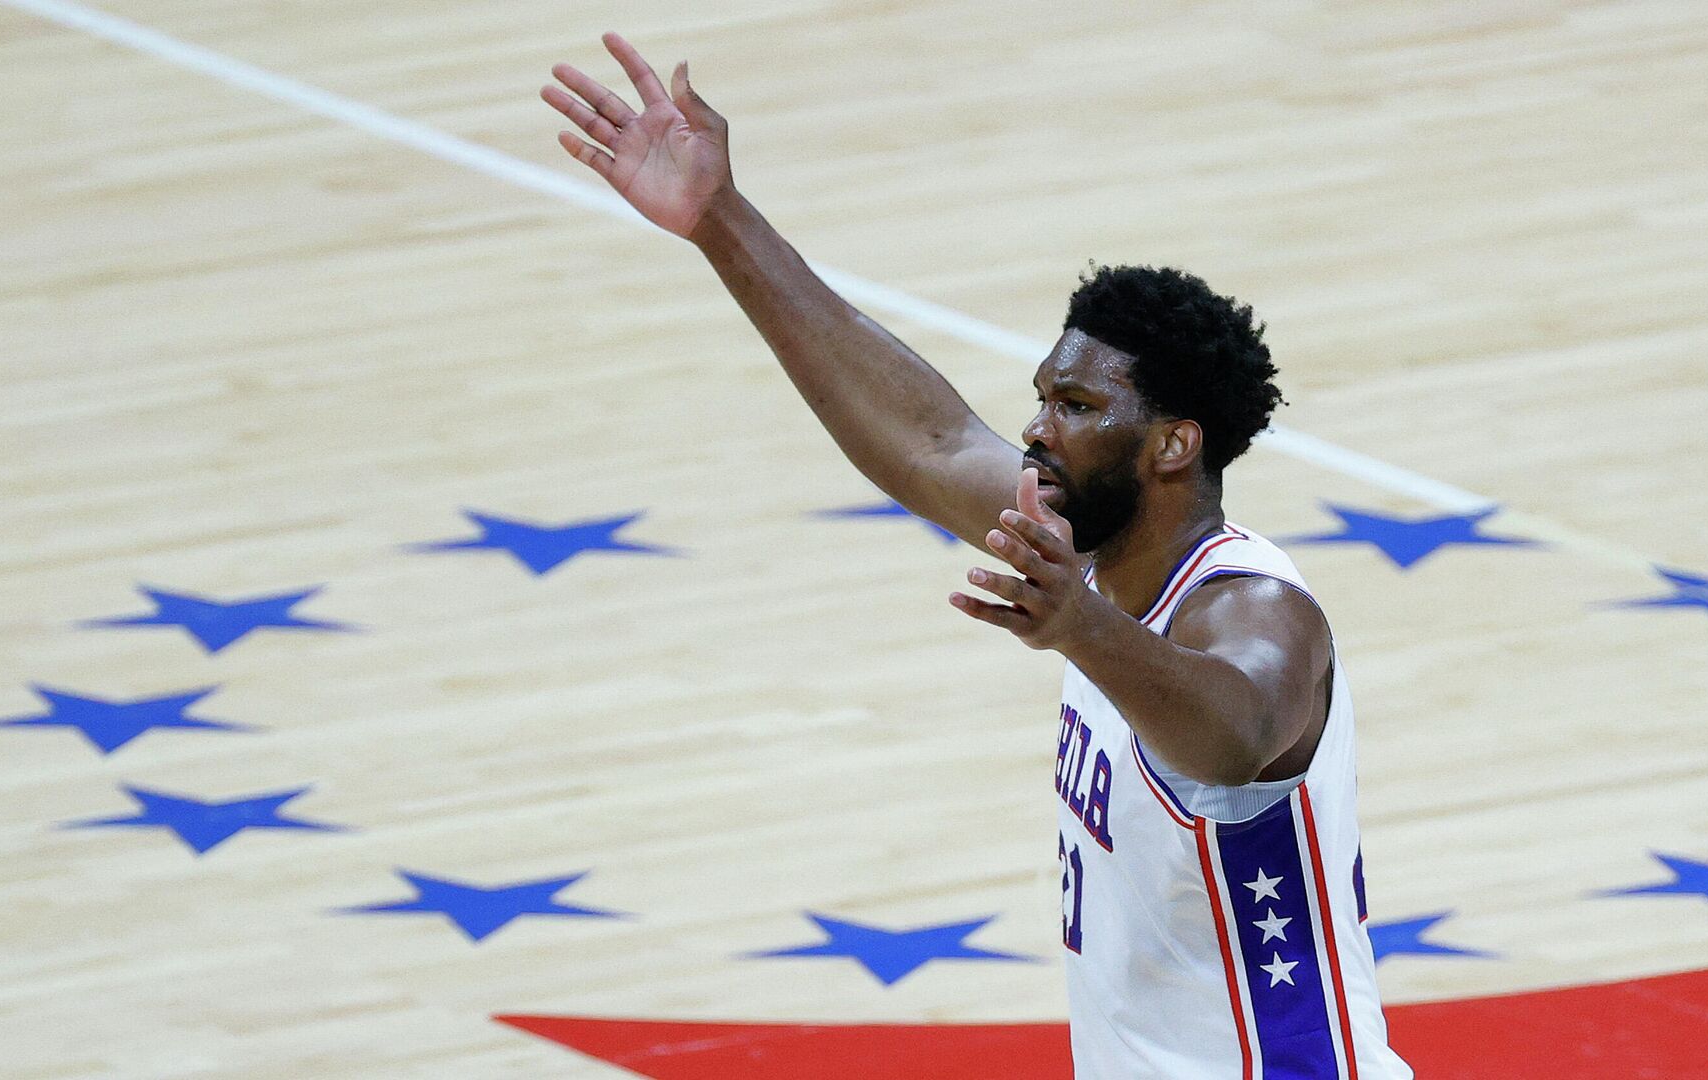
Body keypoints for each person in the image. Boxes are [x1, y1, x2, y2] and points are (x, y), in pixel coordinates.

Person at [542, 32, 1413, 1080]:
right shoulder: (1080, 544)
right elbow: (929, 440)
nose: (1040, 430)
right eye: (1042, 397)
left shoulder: (1257, 609)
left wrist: (1077, 628)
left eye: (1079, 406)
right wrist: (717, 221)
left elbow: (1234, 734)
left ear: (1175, 443)